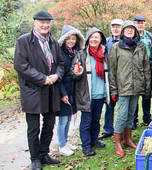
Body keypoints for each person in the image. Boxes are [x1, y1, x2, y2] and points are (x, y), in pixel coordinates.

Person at [14, 11, 64, 170]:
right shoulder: (24, 41)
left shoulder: (54, 42)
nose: (45, 25)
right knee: (34, 127)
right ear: (35, 22)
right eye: (41, 22)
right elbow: (21, 65)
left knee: (49, 124)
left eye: (48, 22)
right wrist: (42, 78)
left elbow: (61, 64)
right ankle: (35, 158)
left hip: (51, 90)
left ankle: (44, 153)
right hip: (33, 91)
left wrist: (57, 75)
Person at [109, 20, 151, 157]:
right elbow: (112, 70)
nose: (129, 31)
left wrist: (146, 87)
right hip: (123, 87)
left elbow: (146, 68)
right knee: (121, 115)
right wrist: (113, 90)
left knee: (131, 114)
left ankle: (127, 139)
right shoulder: (116, 47)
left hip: (137, 86)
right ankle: (117, 143)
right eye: (127, 29)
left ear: (135, 32)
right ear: (123, 31)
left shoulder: (141, 46)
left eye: (132, 29)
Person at [72, 27, 107, 156]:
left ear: (100, 40)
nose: (94, 39)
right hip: (87, 94)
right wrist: (76, 71)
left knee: (96, 119)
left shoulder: (104, 54)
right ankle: (86, 145)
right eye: (92, 37)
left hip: (100, 92)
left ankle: (94, 140)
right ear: (88, 39)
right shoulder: (81, 54)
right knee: (86, 121)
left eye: (96, 37)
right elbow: (74, 74)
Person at [56, 25, 85, 156]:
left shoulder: (76, 52)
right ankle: (61, 145)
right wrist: (63, 94)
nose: (71, 41)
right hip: (63, 90)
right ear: (64, 39)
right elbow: (58, 75)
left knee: (68, 118)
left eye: (73, 39)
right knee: (62, 120)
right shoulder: (60, 53)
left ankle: (66, 142)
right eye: (68, 39)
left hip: (73, 89)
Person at [99, 18, 124, 140]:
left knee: (124, 105)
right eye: (113, 26)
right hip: (110, 77)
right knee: (110, 104)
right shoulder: (106, 42)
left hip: (123, 77)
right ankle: (108, 129)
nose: (115, 29)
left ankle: (123, 129)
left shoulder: (125, 41)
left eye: (118, 26)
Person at [133, 16, 152, 129]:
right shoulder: (131, 37)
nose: (140, 25)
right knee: (135, 96)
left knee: (147, 95)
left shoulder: (150, 37)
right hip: (135, 71)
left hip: (148, 70)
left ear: (145, 24)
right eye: (137, 23)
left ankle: (146, 118)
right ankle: (134, 119)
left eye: (142, 23)